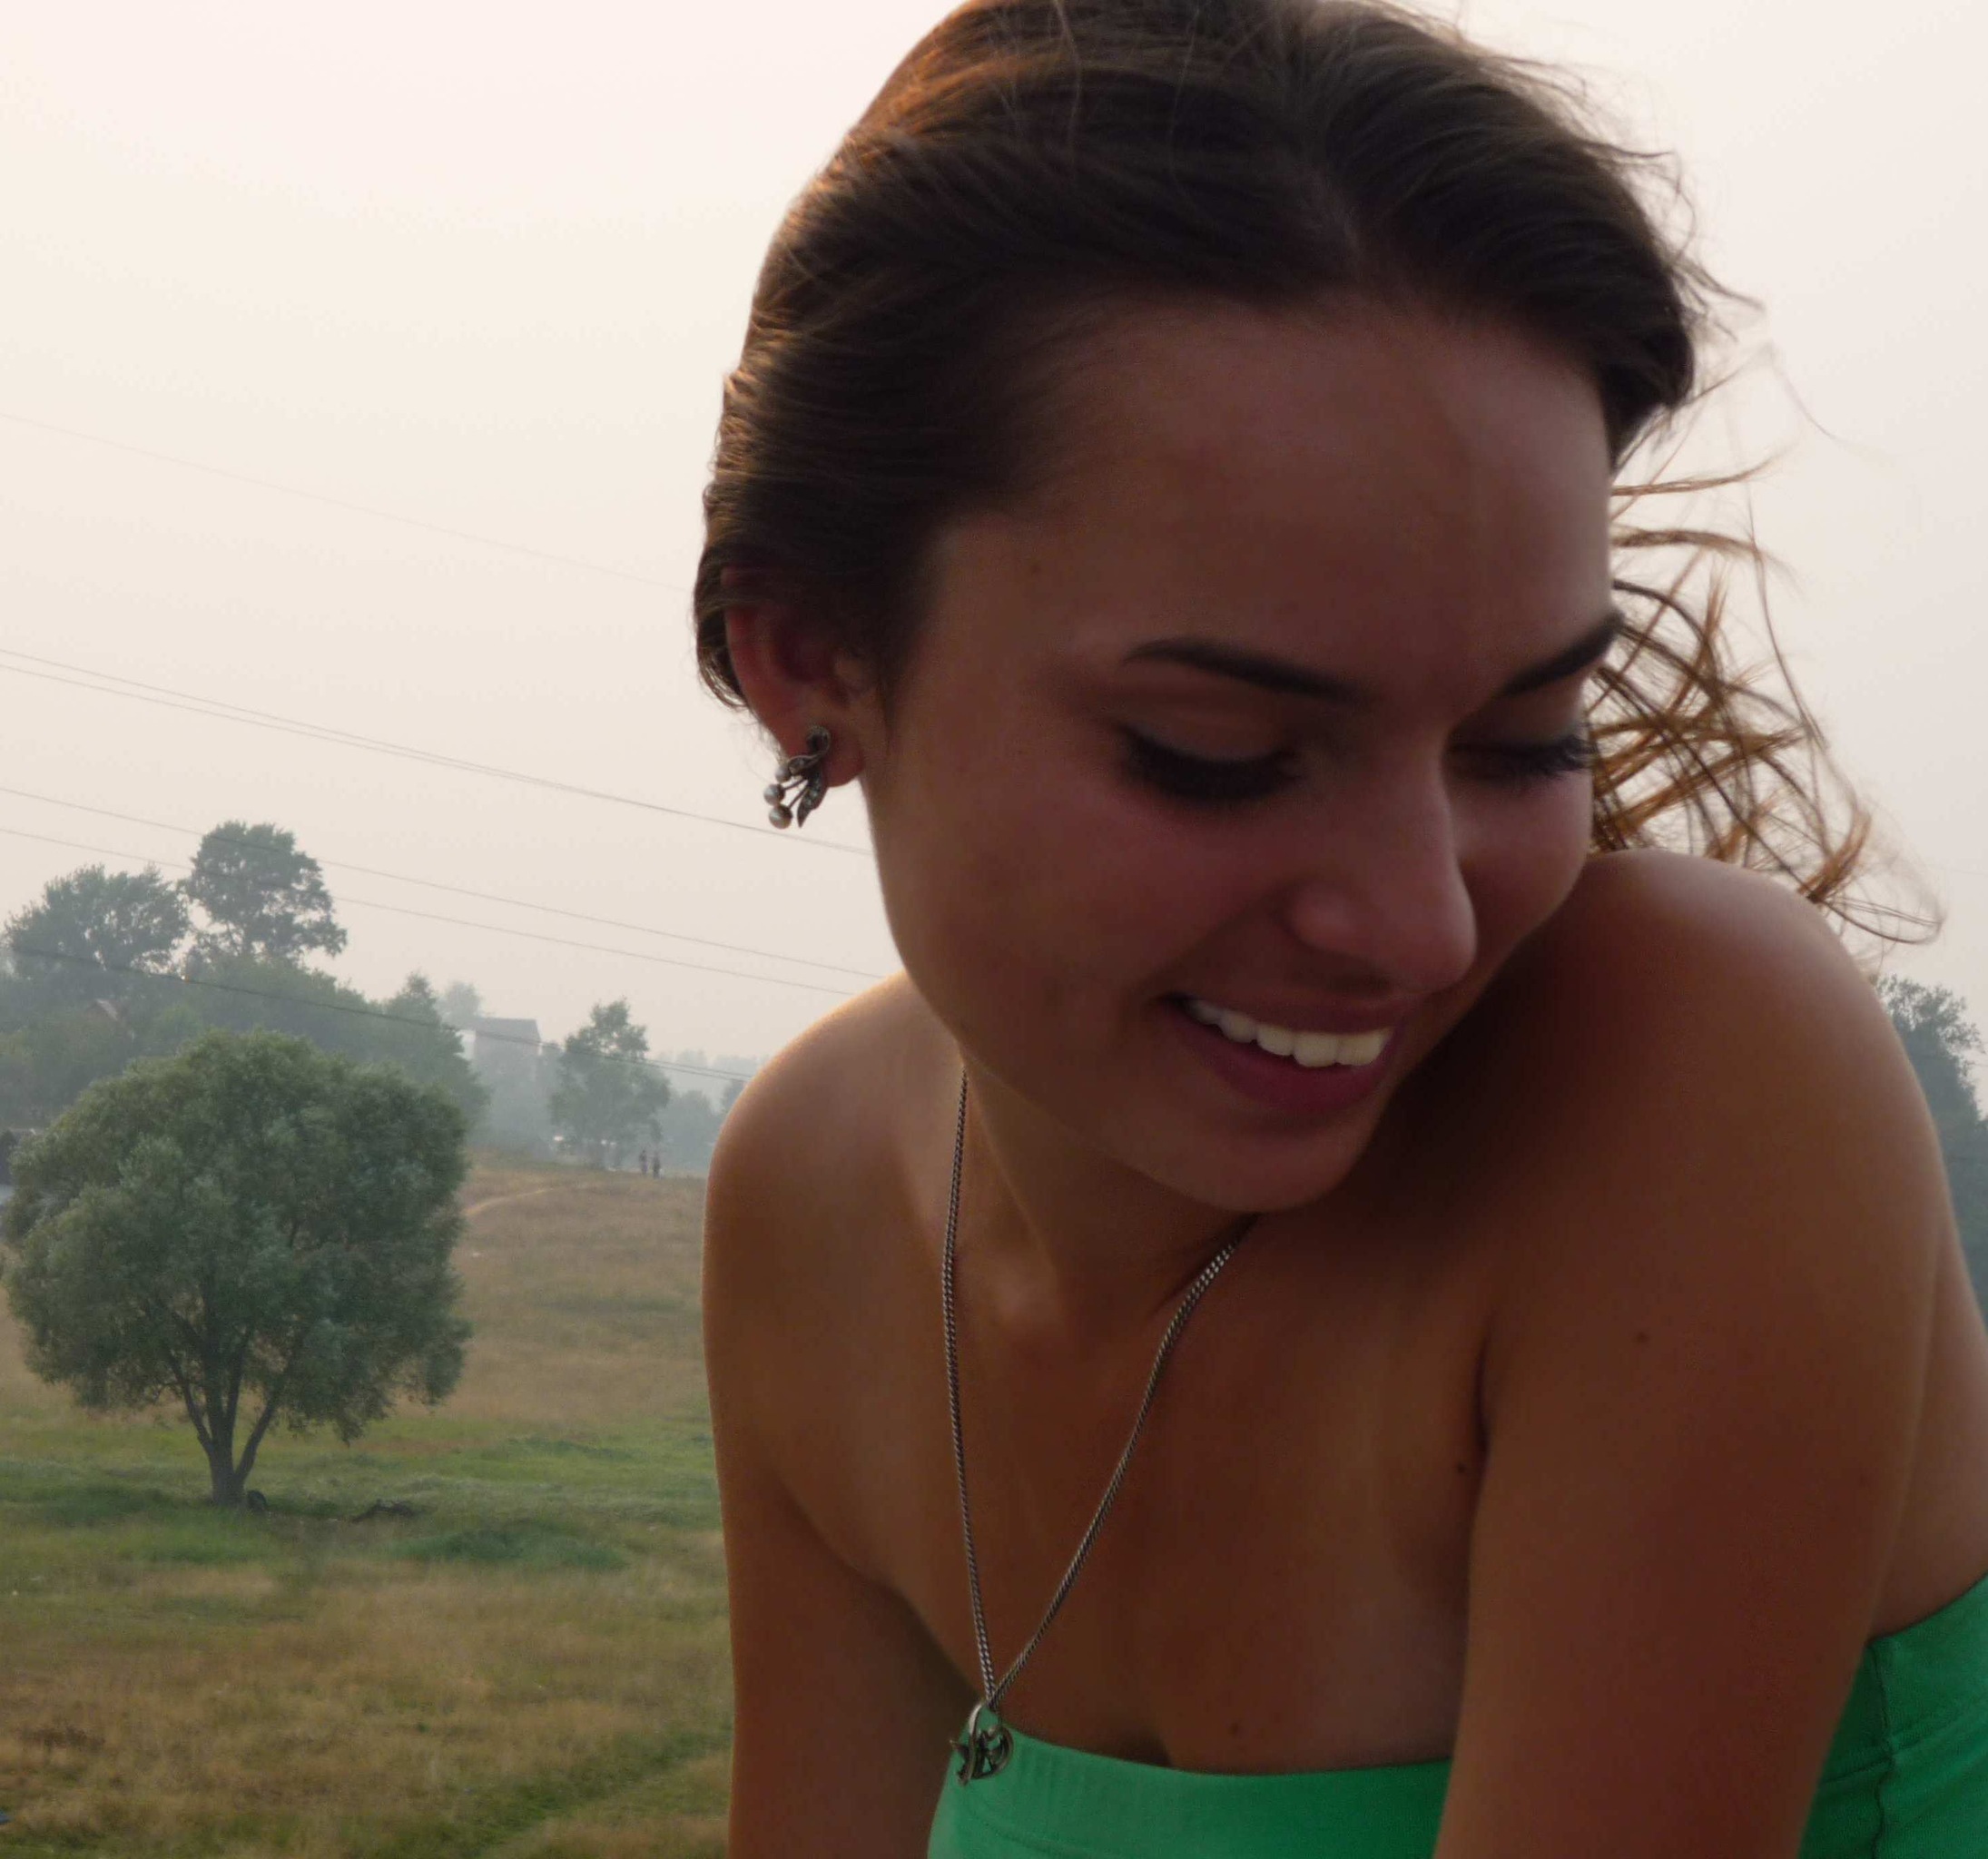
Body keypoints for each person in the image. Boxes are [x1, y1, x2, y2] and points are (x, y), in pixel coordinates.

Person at [694, 3, 1988, 1854]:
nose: (1423, 924)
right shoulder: (814, 1197)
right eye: (1217, 752)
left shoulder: (1688, 1065)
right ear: (809, 656)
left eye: (1526, 738)